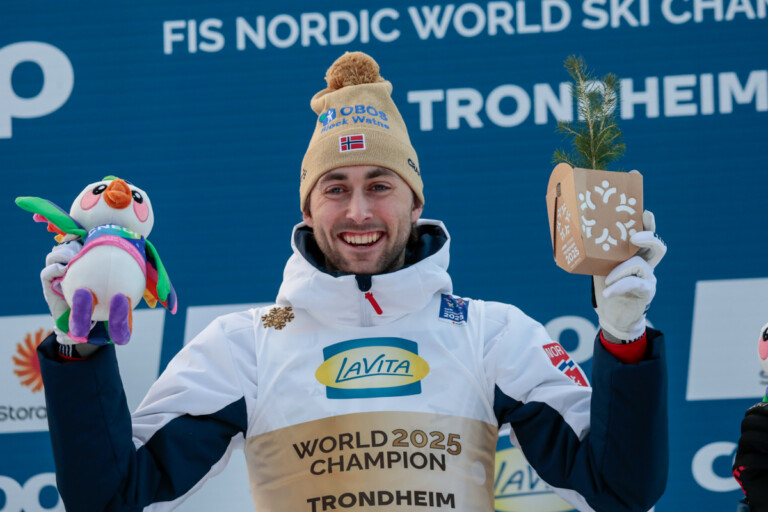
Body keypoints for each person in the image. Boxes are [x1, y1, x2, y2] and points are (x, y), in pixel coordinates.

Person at [37, 51, 668, 512]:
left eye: (380, 186)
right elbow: (110, 495)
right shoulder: (246, 344)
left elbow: (619, 487)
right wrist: (81, 348)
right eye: (335, 189)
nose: (359, 212)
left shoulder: (490, 333)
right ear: (308, 211)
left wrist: (624, 341)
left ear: (416, 202)